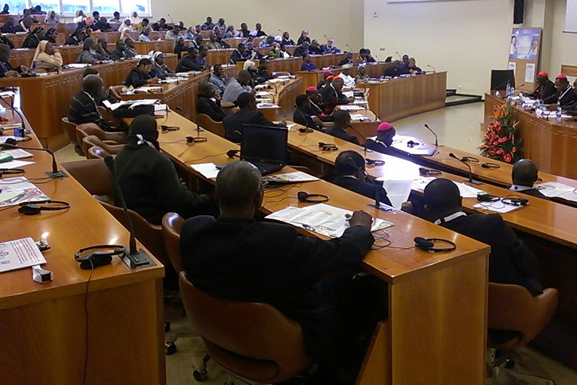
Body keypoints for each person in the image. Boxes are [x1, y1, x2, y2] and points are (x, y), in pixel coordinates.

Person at [181, 161, 378, 384]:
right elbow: (340, 253)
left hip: (217, 330)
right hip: (275, 337)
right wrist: (360, 229)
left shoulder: (192, 230)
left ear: (217, 195)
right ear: (258, 198)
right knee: (360, 289)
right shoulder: (275, 241)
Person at [420, 178, 542, 295]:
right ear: (461, 200)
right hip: (514, 300)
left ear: (427, 209)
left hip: (464, 301)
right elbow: (529, 267)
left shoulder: (430, 241)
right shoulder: (493, 223)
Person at [114, 114, 213, 224]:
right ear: (156, 135)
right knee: (211, 212)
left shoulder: (120, 156)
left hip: (127, 221)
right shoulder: (158, 161)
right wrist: (207, 198)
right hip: (152, 224)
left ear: (129, 133)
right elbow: (180, 202)